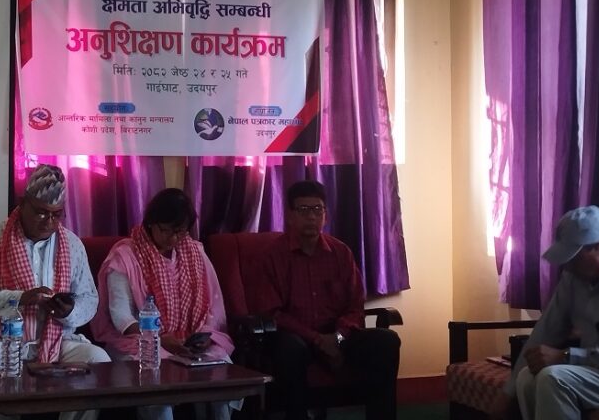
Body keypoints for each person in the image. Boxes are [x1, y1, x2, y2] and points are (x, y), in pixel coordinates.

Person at [0, 164, 110, 420]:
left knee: (99, 361)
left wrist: (68, 311)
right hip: (3, 340)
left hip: (57, 340)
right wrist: (20, 298)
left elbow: (89, 299)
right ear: (22, 203)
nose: (49, 222)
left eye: (56, 214)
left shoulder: (72, 244)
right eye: (41, 212)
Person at [253, 180, 400, 420]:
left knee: (386, 341)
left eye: (317, 209)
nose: (311, 217)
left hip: (337, 336)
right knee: (290, 350)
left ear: (326, 215)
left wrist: (338, 337)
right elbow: (273, 313)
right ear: (290, 216)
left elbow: (354, 306)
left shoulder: (341, 253)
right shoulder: (273, 256)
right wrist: (318, 339)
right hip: (297, 339)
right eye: (303, 210)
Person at [91, 188, 237, 420]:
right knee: (158, 387)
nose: (173, 239)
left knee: (222, 378)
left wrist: (203, 337)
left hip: (185, 342)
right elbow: (122, 318)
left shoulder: (194, 252)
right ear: (151, 223)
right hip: (138, 341)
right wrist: (159, 338)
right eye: (166, 230)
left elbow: (212, 306)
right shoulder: (125, 256)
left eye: (180, 232)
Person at [489, 205, 599, 420]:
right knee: (527, 377)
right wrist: (507, 393)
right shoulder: (573, 280)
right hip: (596, 371)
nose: (567, 266)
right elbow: (545, 331)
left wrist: (565, 356)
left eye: (574, 258)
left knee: (554, 378)